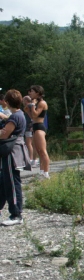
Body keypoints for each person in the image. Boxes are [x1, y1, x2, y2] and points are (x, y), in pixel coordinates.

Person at [0, 89, 31, 226]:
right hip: (15, 150)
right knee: (3, 182)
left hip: (11, 152)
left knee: (12, 183)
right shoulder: (19, 114)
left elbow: (4, 135)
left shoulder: (14, 118)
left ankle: (16, 214)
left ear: (7, 102)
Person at [25, 85, 50, 179]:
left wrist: (32, 106)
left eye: (31, 91)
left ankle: (46, 173)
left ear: (37, 93)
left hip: (40, 127)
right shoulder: (36, 103)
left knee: (43, 151)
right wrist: (28, 110)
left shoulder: (42, 103)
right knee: (38, 151)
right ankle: (41, 171)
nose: (30, 93)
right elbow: (32, 117)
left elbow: (35, 114)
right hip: (35, 126)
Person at [22, 95, 38, 167]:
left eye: (23, 100)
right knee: (31, 143)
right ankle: (32, 158)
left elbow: (32, 116)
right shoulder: (32, 105)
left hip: (29, 126)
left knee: (28, 143)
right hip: (31, 126)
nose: (22, 102)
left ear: (26, 100)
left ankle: (31, 159)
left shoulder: (29, 106)